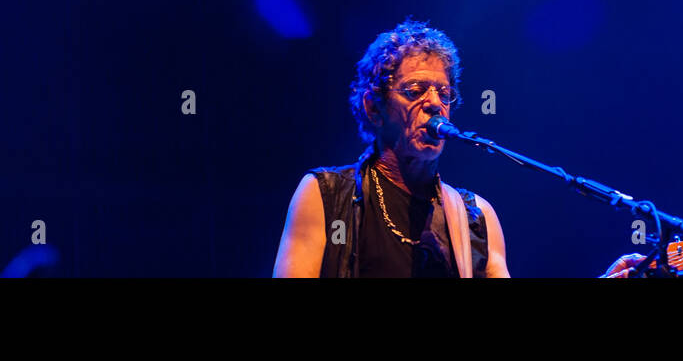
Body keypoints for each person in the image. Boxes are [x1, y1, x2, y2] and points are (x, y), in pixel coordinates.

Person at [272, 17, 645, 278]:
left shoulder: (475, 217)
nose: (435, 102)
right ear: (374, 106)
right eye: (415, 91)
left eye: (444, 93)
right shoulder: (324, 195)